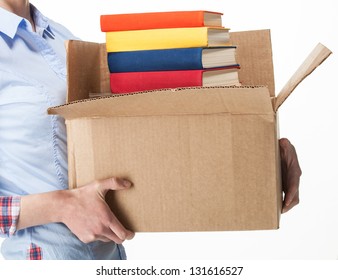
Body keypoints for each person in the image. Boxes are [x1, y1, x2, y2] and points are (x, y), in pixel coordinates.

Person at [0, 0, 301, 260]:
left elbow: (119, 130)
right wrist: (62, 207)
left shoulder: (58, 36)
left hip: (109, 252)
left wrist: (259, 148)